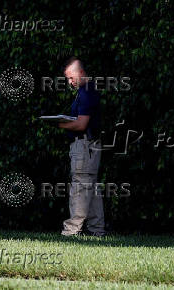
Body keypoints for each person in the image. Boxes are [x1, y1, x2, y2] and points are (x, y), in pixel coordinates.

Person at [58, 57, 106, 237]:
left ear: (81, 73)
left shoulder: (85, 92)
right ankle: (97, 229)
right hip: (92, 146)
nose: (70, 82)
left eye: (71, 78)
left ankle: (71, 230)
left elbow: (81, 124)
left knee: (80, 186)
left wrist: (60, 124)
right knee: (91, 188)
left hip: (84, 146)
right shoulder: (90, 90)